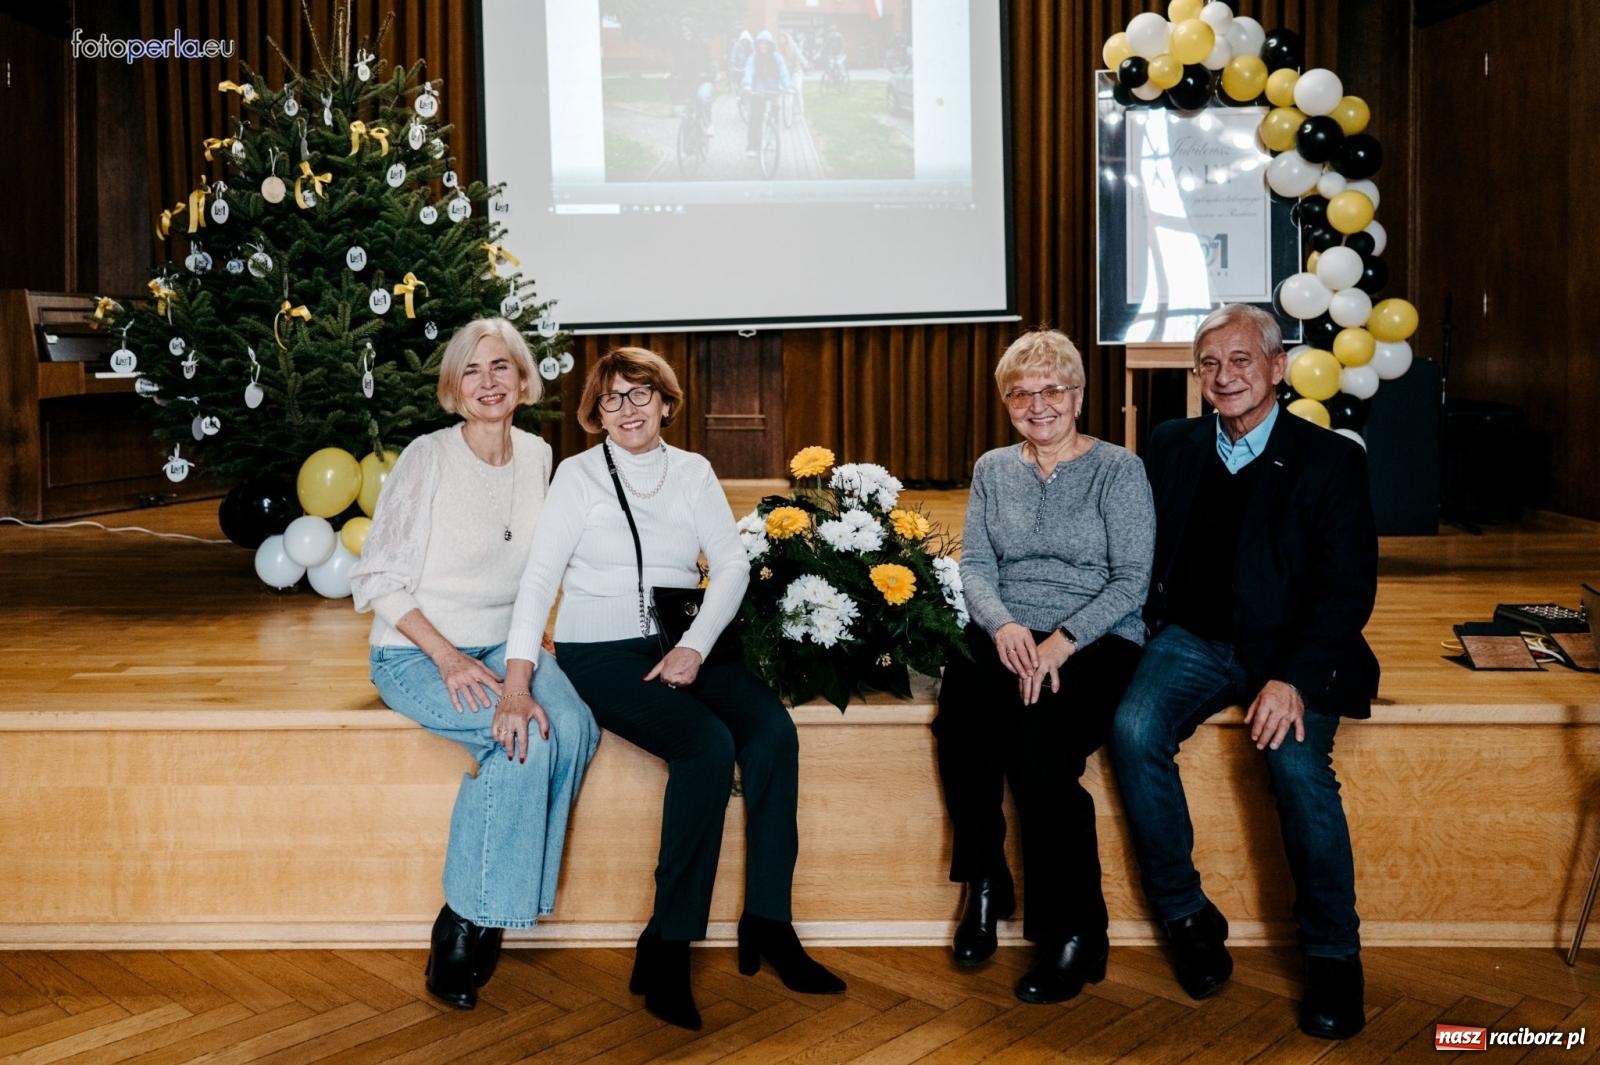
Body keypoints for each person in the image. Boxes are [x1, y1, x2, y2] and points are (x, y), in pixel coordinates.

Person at [504, 347, 844, 1031]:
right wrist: (518, 680)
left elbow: (731, 564)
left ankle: (769, 922)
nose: (627, 409)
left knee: (773, 732)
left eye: (641, 394)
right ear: (596, 416)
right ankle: (669, 942)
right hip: (600, 649)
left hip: (686, 637)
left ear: (666, 401)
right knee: (705, 746)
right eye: (612, 400)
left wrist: (694, 646)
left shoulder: (693, 471)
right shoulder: (577, 476)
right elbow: (539, 579)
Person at [1107, 303, 1377, 1040]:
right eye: (1209, 364)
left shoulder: (1331, 460)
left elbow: (1347, 589)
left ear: (1277, 367)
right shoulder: (1173, 444)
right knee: (1132, 727)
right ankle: (1186, 913)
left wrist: (1291, 676)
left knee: (1295, 767)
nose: (1223, 377)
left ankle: (1333, 953)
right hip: (1195, 639)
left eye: (1240, 361)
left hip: (1291, 651)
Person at [350, 319, 600, 1011]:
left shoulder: (539, 455)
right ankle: (465, 919)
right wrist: (449, 654)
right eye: (472, 371)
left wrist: (537, 634)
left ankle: (505, 898)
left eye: (502, 368)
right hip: (417, 650)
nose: (488, 382)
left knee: (573, 726)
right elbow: (376, 579)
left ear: (523, 381)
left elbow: (538, 566)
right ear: (453, 390)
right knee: (519, 737)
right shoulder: (427, 458)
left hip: (506, 642)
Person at [933, 330, 1155, 1003]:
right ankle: (986, 881)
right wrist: (1000, 623)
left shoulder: (1119, 469)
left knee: (1039, 751)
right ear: (1007, 403)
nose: (1039, 404)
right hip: (1008, 629)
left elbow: (1132, 578)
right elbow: (976, 564)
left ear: (1079, 395)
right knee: (960, 726)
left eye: (1052, 388)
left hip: (1096, 636)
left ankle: (1077, 931)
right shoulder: (994, 467)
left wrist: (1063, 640)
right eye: (1022, 392)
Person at [741, 30, 793, 156]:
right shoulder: (754, 58)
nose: (763, 46)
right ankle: (752, 147)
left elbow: (783, 72)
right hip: (757, 91)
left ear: (770, 45)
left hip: (773, 91)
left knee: (774, 117)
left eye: (766, 44)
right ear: (757, 45)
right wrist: (747, 85)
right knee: (756, 118)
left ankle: (770, 141)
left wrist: (788, 87)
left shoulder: (777, 57)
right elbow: (749, 70)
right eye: (761, 43)